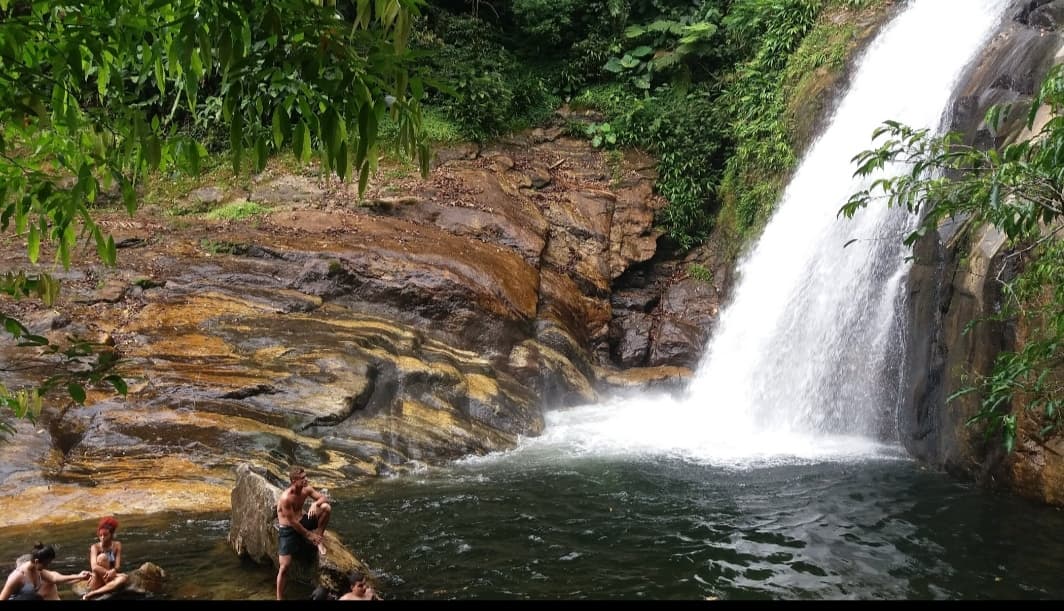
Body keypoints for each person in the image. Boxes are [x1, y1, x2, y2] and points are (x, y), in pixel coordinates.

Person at [276, 465, 332, 600]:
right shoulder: (286, 498)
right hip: (288, 530)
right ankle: (279, 597)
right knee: (284, 567)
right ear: (294, 481)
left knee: (326, 508)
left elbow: (323, 498)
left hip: (303, 520)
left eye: (305, 476)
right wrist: (308, 535)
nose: (306, 479)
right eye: (302, 478)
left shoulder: (306, 489)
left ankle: (319, 539)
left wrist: (314, 504)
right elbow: (293, 522)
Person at [0, 543, 91, 600]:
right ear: (36, 561)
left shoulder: (37, 569)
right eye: (45, 564)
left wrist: (79, 576)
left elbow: (54, 578)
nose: (47, 567)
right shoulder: (17, 577)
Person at [82, 516, 130, 600]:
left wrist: (114, 571)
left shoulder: (117, 545)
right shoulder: (95, 547)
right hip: (98, 579)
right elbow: (94, 567)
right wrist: (109, 573)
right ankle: (103, 588)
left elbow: (117, 566)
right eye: (100, 535)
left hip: (110, 579)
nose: (102, 537)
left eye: (105, 535)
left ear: (111, 534)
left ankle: (93, 593)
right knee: (102, 557)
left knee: (124, 578)